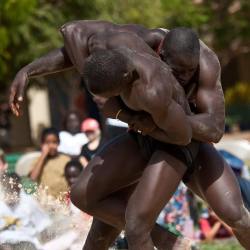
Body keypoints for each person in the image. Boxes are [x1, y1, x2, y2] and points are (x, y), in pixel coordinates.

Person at [8, 21, 250, 249]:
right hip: (145, 136)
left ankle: (163, 239)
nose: (183, 77)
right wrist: (29, 71)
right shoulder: (133, 45)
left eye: (189, 71)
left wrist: (139, 119)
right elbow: (74, 39)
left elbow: (214, 129)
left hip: (183, 141)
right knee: (91, 210)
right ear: (160, 52)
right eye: (178, 70)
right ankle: (162, 237)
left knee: (235, 215)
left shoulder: (203, 65)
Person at [0, 173, 51, 249]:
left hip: (26, 242)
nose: (10, 192)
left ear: (19, 188)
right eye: (8, 189)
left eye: (13, 189)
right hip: (4, 243)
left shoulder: (28, 202)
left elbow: (43, 225)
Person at [29, 127, 70, 198]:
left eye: (54, 142)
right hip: (45, 202)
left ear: (59, 142)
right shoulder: (38, 160)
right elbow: (33, 177)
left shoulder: (66, 159)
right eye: (47, 143)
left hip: (62, 202)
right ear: (42, 144)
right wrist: (43, 156)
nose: (51, 146)